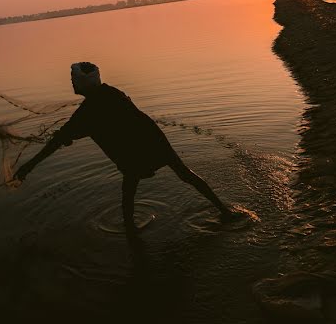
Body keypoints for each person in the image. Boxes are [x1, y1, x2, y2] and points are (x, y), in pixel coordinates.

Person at [14, 62, 251, 233]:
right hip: (153, 139)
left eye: (73, 79)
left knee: (130, 189)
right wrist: (68, 135)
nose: (71, 82)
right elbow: (86, 127)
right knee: (182, 173)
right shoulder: (112, 93)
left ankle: (130, 233)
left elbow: (61, 139)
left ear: (82, 83)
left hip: (137, 148)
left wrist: (28, 166)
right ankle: (224, 211)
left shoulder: (88, 111)